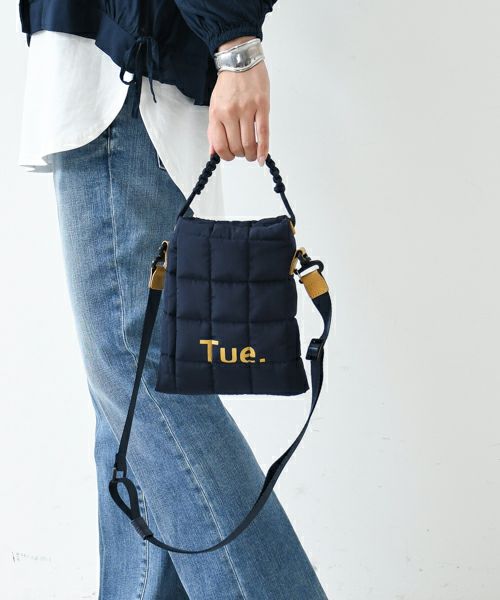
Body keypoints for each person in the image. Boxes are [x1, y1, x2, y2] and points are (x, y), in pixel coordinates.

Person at [19, 2, 328, 598]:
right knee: (131, 410)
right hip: (126, 66)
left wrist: (235, 43)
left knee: (136, 370)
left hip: (120, 75)